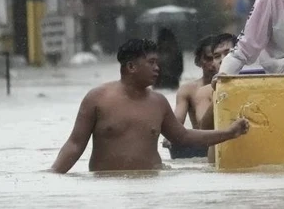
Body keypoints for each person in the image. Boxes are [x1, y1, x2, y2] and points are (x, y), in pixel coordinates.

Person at [50, 39, 250, 173]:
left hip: (151, 189)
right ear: (131, 67)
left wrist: (229, 133)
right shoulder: (97, 98)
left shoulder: (158, 102)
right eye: (151, 62)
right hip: (107, 190)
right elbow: (75, 145)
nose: (157, 68)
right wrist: (52, 176)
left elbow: (184, 136)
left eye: (157, 62)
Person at [168, 33, 236, 159]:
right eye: (211, 57)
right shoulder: (193, 91)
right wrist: (171, 136)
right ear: (199, 61)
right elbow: (180, 122)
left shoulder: (252, 83)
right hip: (204, 148)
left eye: (228, 54)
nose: (222, 60)